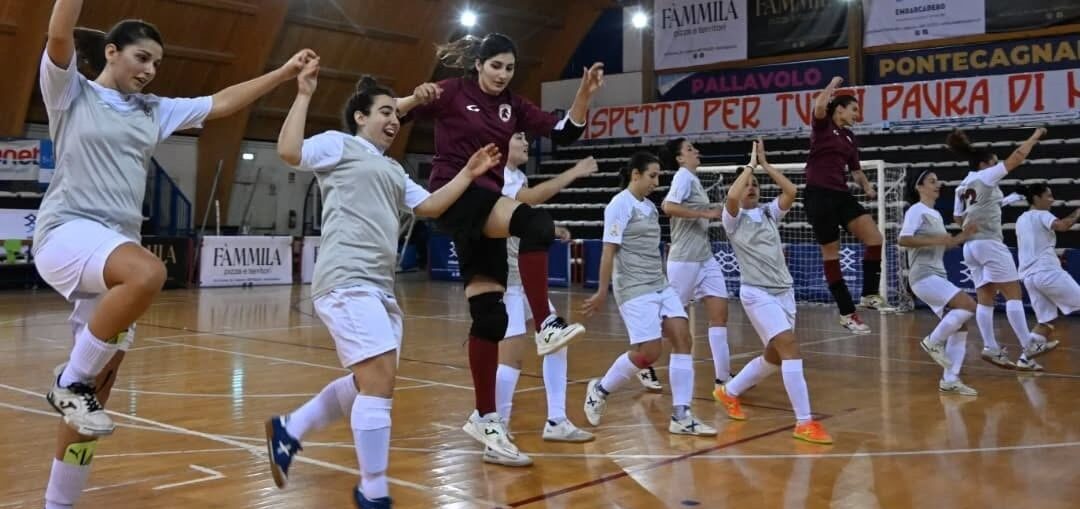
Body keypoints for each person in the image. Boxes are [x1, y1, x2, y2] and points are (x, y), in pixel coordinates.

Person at [35, 2, 316, 507]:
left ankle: (58, 502)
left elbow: (222, 103)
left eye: (157, 64)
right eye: (142, 58)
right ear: (112, 52)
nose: (150, 71)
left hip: (112, 252)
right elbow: (58, 32)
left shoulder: (153, 111)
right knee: (148, 275)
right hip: (67, 234)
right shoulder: (71, 92)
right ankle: (70, 378)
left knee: (90, 411)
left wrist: (284, 71)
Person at [266, 62, 502, 507]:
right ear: (360, 116)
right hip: (345, 277)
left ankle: (290, 429)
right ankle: (373, 490)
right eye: (385, 112)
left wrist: (467, 175)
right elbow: (289, 152)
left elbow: (430, 206)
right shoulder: (339, 145)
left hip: (379, 285)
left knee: (366, 380)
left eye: (397, 114)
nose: (395, 120)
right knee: (380, 381)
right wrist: (303, 94)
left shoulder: (393, 170)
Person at [394, 33, 604, 458]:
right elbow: (392, 117)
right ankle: (545, 322)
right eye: (495, 66)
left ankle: (486, 421)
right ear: (478, 65)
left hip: (485, 210)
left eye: (509, 68)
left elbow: (564, 133)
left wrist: (583, 94)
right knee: (537, 225)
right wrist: (414, 98)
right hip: (457, 194)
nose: (502, 75)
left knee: (489, 318)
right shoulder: (453, 91)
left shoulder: (514, 105)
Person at [581, 152, 717, 437]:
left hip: (659, 283)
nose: (657, 182)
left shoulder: (650, 208)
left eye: (659, 176)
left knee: (683, 337)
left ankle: (681, 414)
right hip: (633, 287)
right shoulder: (619, 205)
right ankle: (600, 389)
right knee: (650, 352)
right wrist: (602, 290)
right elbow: (609, 251)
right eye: (652, 176)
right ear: (636, 175)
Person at [713, 140, 833, 444]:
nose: (751, 188)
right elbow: (730, 197)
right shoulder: (732, 219)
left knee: (775, 357)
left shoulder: (768, 213)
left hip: (784, 292)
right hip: (756, 293)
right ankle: (804, 422)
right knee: (790, 345)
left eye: (755, 185)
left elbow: (791, 192)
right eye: (746, 185)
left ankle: (729, 392)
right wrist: (749, 167)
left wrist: (765, 166)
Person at [491, 133, 597, 466]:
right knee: (511, 355)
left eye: (526, 135)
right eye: (519, 137)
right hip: (502, 277)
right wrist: (574, 172)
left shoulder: (517, 175)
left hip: (523, 276)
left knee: (556, 341)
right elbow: (531, 197)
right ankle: (495, 434)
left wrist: (552, 230)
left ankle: (556, 420)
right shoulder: (499, 176)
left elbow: (521, 217)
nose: (526, 141)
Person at [949, 128, 1056, 370]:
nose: (998, 167)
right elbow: (1017, 157)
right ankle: (1029, 345)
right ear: (985, 164)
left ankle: (990, 347)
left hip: (971, 246)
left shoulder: (962, 185)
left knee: (985, 298)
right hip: (989, 243)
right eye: (994, 163)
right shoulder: (986, 176)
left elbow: (958, 218)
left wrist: (1001, 202)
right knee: (1013, 293)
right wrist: (1035, 136)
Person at [804, 76, 889, 334]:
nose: (857, 114)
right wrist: (832, 86)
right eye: (854, 109)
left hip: (841, 195)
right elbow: (819, 105)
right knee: (832, 256)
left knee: (875, 238)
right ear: (839, 108)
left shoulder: (850, 138)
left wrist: (867, 187)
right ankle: (847, 313)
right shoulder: (822, 126)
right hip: (818, 196)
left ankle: (869, 294)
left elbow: (856, 170)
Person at [654, 137, 733, 397]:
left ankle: (723, 380)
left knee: (720, 314)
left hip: (705, 258)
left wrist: (713, 209)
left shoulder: (692, 179)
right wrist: (705, 213)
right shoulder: (682, 177)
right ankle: (643, 361)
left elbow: (693, 209)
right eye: (689, 149)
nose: (696, 151)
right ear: (679, 158)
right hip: (684, 259)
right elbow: (669, 207)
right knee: (670, 322)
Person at [898, 171, 979, 396]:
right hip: (923, 276)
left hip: (936, 275)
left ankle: (950, 379)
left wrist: (966, 234)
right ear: (919, 187)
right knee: (969, 305)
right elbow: (903, 240)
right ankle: (933, 342)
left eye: (938, 181)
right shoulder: (916, 210)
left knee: (960, 326)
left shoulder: (933, 214)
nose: (938, 184)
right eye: (932, 181)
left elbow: (947, 244)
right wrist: (936, 239)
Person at [1016, 183, 1076, 347]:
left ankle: (1025, 358)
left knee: (1046, 322)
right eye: (1048, 196)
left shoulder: (1021, 219)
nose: (1052, 200)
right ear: (1036, 198)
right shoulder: (1042, 214)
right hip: (1047, 272)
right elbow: (1063, 226)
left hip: (1030, 278)